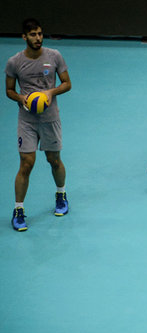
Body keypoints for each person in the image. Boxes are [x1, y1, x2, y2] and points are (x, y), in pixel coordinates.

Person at [5, 18, 72, 231]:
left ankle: (61, 194)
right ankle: (18, 210)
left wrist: (50, 92)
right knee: (26, 163)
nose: (38, 38)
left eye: (40, 34)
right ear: (24, 37)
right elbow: (9, 90)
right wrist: (20, 98)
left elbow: (67, 83)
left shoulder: (54, 56)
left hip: (50, 118)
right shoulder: (14, 62)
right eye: (33, 35)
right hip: (27, 120)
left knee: (54, 160)